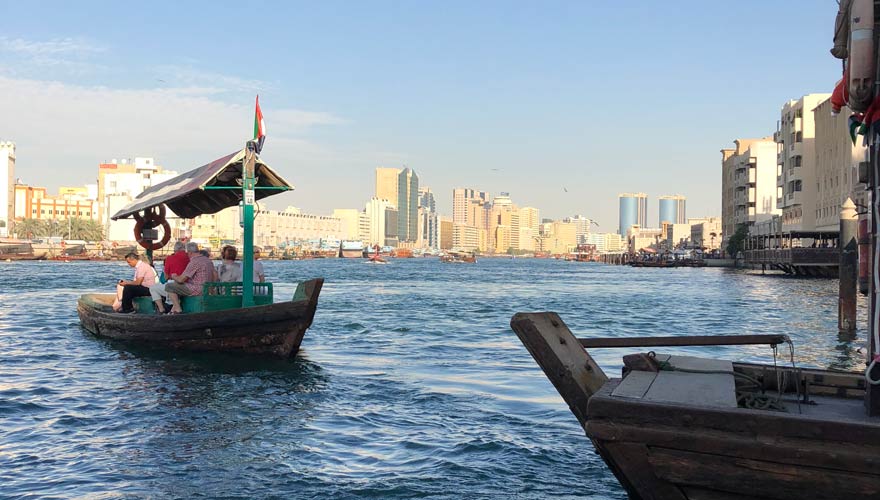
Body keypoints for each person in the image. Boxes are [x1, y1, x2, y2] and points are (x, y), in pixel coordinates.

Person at [165, 242, 218, 314]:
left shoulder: (194, 262)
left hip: (197, 289)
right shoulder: (207, 260)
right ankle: (173, 309)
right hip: (208, 288)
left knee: (169, 286)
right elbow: (215, 275)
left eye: (187, 253)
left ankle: (177, 309)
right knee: (179, 287)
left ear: (190, 252)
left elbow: (181, 279)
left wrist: (174, 276)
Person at [149, 241, 190, 313]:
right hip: (189, 285)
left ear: (175, 250)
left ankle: (161, 310)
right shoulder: (190, 257)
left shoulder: (170, 258)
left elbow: (165, 277)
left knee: (153, 288)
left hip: (176, 286)